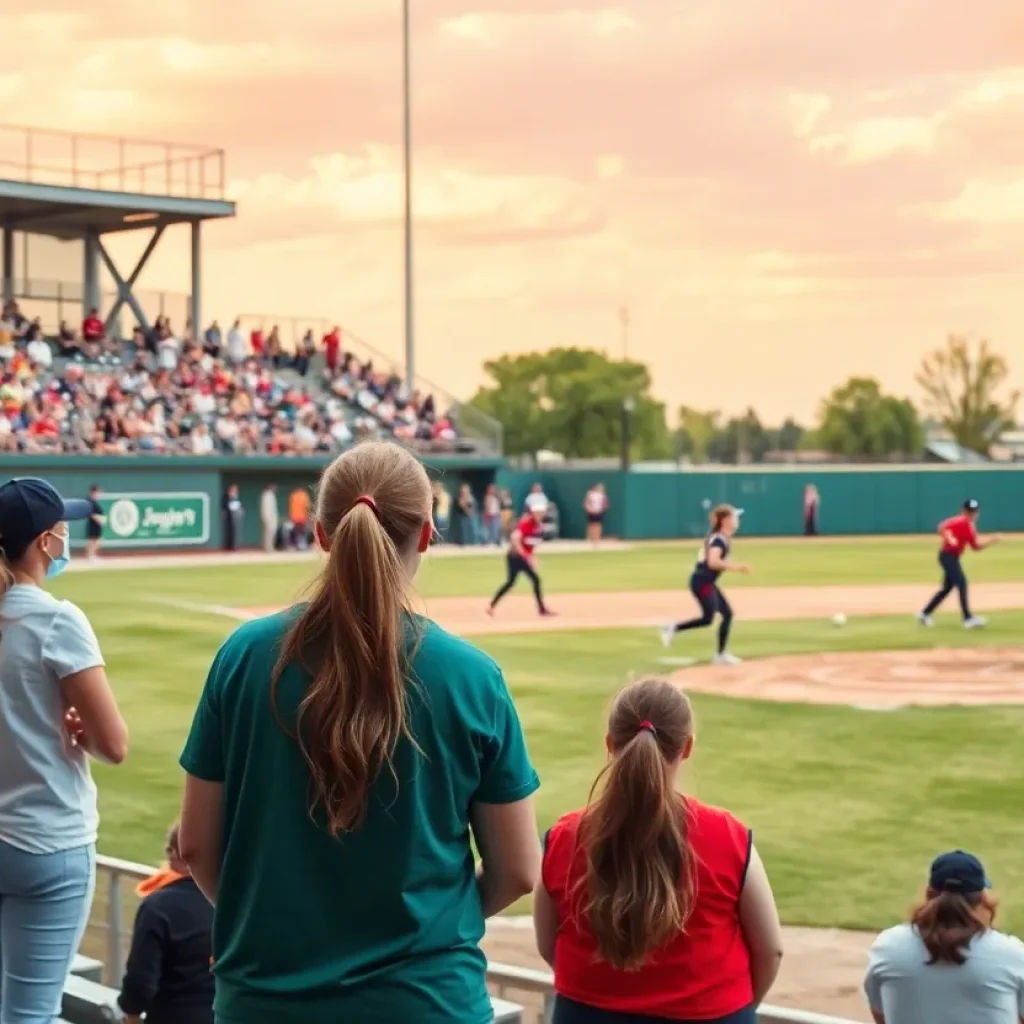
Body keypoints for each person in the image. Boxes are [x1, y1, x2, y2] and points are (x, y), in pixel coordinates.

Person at [178, 440, 542, 1024]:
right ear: (426, 534)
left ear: (321, 533)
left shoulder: (243, 657)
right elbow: (519, 869)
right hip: (428, 1002)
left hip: (264, 1002)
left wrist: (269, 925)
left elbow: (195, 846)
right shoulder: (472, 677)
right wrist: (428, 926)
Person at [534, 678, 783, 1024]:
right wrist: (732, 1008)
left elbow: (549, 946)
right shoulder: (729, 836)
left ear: (610, 744)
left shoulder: (563, 838)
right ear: (687, 747)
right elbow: (771, 951)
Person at [0, 477, 129, 1023]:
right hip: (47, 842)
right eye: (61, 530)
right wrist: (81, 733)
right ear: (45, 541)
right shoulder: (56, 618)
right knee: (30, 1015)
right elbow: (114, 744)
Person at [864, 851, 1024, 1024]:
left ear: (928, 893)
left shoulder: (888, 947)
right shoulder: (1011, 954)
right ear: (982, 899)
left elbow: (881, 1015)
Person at [118, 822, 214, 1024]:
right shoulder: (241, 903)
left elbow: (141, 980)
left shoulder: (159, 906)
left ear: (176, 856)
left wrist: (132, 1016)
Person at [660, 504, 750, 665]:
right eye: (735, 517)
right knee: (713, 617)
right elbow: (713, 562)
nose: (737, 521)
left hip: (706, 582)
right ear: (726, 520)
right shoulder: (719, 539)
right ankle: (672, 629)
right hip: (702, 582)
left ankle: (719, 654)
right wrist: (737, 567)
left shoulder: (721, 538)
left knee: (723, 615)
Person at [919, 499, 1000, 630]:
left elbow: (975, 546)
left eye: (974, 512)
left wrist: (990, 541)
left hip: (951, 557)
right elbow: (941, 527)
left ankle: (925, 613)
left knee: (947, 588)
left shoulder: (967, 525)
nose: (972, 514)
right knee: (962, 584)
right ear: (963, 511)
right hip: (947, 556)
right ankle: (968, 619)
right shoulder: (960, 522)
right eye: (969, 512)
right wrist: (950, 538)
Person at [487, 498, 555, 618]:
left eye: (542, 513)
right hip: (515, 557)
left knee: (520, 582)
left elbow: (531, 544)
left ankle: (491, 606)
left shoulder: (538, 526)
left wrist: (531, 557)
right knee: (520, 582)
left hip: (521, 557)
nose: (540, 515)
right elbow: (515, 538)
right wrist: (526, 556)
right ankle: (542, 610)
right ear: (532, 513)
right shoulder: (526, 522)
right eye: (538, 513)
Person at [85, 483, 105, 562]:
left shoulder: (95, 502)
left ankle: (93, 555)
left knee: (96, 541)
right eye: (98, 492)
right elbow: (91, 513)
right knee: (92, 541)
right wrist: (98, 519)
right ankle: (90, 556)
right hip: (93, 524)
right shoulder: (90, 501)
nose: (99, 494)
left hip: (97, 524)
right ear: (94, 492)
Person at [221, 484, 243, 552]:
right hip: (229, 517)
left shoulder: (236, 496)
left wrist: (241, 510)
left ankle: (235, 545)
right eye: (234, 489)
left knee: (236, 532)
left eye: (236, 489)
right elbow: (224, 506)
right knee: (229, 532)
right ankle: (229, 546)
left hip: (236, 517)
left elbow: (238, 505)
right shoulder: (226, 496)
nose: (235, 490)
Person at [259, 484, 279, 553]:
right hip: (268, 518)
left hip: (272, 518)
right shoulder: (267, 495)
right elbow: (266, 508)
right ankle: (268, 548)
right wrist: (267, 518)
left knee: (271, 534)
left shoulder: (271, 495)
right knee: (268, 534)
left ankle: (270, 547)